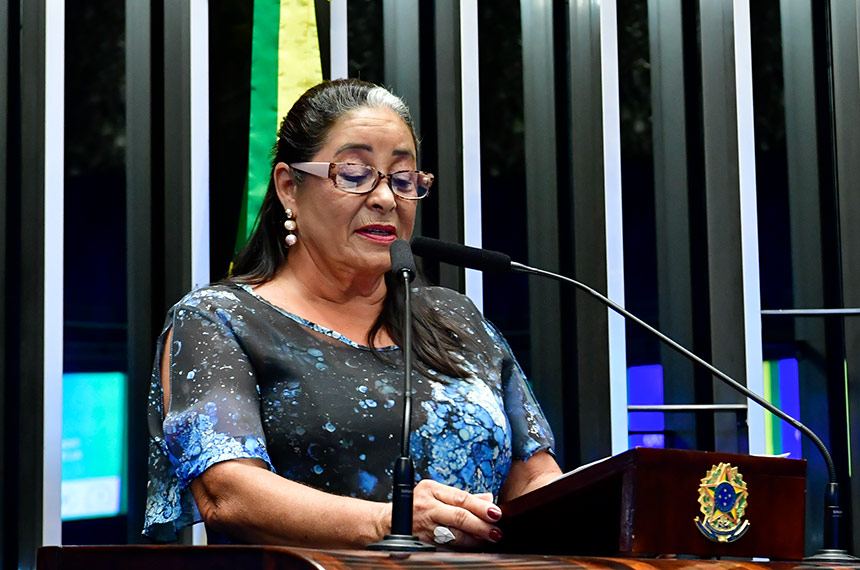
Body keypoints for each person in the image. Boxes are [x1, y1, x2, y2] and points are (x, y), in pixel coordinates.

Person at [143, 78, 562, 549]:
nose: (386, 198)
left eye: (403, 179)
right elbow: (230, 494)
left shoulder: (456, 319)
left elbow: (534, 476)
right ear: (288, 188)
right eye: (355, 174)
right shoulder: (219, 319)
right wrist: (393, 522)